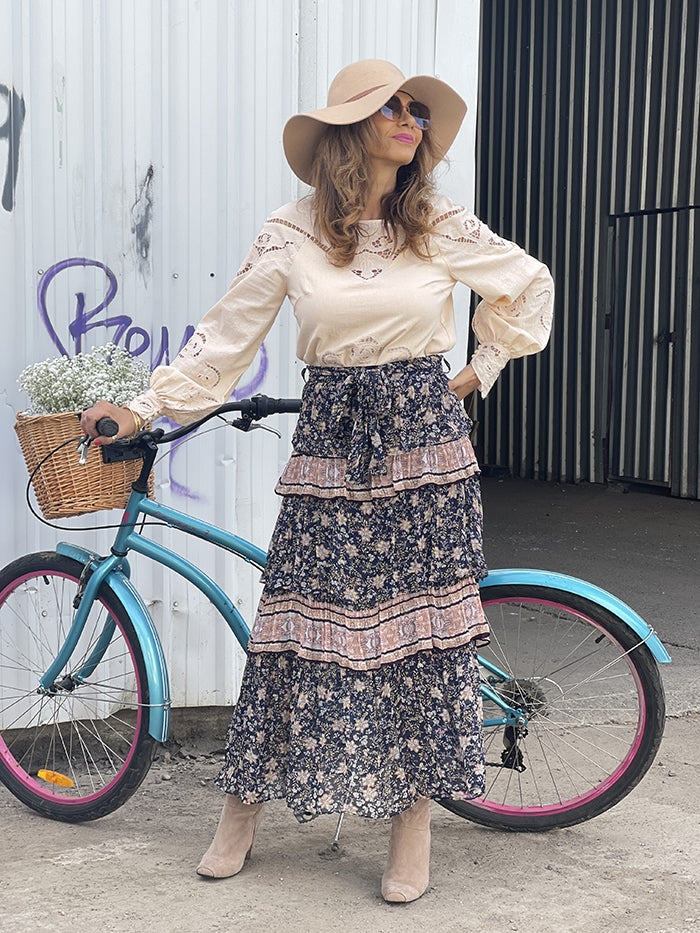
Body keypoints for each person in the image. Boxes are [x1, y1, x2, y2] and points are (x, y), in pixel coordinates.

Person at [81, 59, 554, 903]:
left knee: (419, 638)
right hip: (331, 441)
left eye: (418, 111)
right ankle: (241, 809)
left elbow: (527, 284)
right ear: (351, 128)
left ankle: (412, 820)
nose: (412, 119)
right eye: (393, 107)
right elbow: (225, 337)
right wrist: (145, 406)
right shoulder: (289, 231)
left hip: (424, 445)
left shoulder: (438, 221)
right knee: (294, 630)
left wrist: (476, 370)